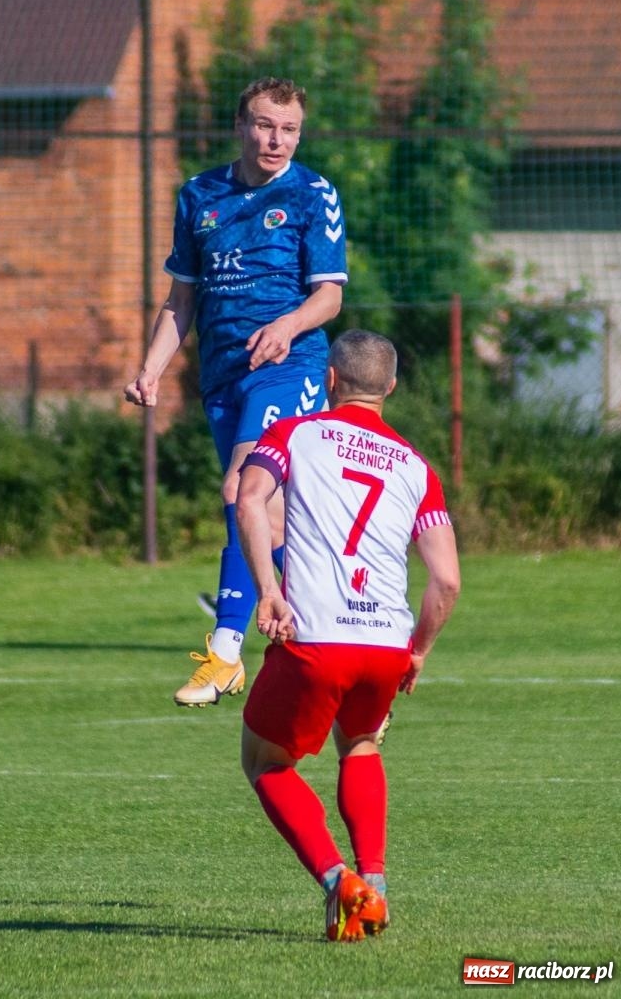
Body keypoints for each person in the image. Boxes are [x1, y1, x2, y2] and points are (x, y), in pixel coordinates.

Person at [124, 77, 347, 706]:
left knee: (241, 487)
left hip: (292, 364)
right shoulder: (200, 196)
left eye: (290, 129)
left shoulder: (313, 195)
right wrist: (152, 369)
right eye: (265, 125)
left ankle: (225, 650)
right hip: (223, 375)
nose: (277, 140)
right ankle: (331, 647)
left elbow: (329, 295)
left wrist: (288, 324)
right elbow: (181, 300)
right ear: (239, 126)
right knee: (273, 518)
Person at [235, 329, 460, 941]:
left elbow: (248, 499)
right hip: (385, 643)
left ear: (329, 381)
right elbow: (446, 581)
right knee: (360, 743)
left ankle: (341, 881)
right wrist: (418, 651)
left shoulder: (294, 434)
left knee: (265, 762)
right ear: (389, 388)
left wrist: (268, 591)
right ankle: (376, 885)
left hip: (316, 638)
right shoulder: (417, 467)